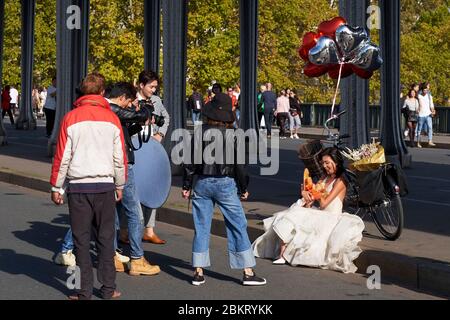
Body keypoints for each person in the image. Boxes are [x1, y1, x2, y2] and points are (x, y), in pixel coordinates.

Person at [181, 82, 267, 286]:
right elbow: (240, 166)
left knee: (201, 226)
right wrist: (243, 187)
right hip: (225, 183)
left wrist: (186, 185)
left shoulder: (199, 133)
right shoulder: (233, 136)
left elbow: (190, 163)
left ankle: (198, 271)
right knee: (237, 225)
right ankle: (247, 272)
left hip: (202, 182)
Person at [50, 72, 126, 300]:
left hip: (79, 187)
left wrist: (56, 186)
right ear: (103, 93)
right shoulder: (112, 119)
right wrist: (120, 184)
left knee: (81, 240)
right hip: (104, 186)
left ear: (83, 92)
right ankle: (108, 288)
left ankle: (83, 291)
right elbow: (119, 157)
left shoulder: (70, 117)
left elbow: (62, 156)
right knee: (105, 239)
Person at [252, 147, 365, 274]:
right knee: (293, 212)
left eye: (327, 162)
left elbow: (324, 203)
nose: (325, 166)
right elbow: (311, 204)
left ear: (336, 162)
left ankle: (283, 255)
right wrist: (306, 195)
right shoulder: (324, 177)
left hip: (331, 217)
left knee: (296, 214)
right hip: (319, 214)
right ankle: (282, 254)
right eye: (323, 163)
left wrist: (315, 193)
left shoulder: (341, 181)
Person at [137, 70, 170, 245]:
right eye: (151, 87)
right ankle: (127, 230)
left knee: (152, 188)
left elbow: (166, 118)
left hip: (151, 149)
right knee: (133, 190)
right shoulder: (131, 99)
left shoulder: (156, 101)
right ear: (141, 85)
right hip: (135, 149)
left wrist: (160, 135)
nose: (154, 90)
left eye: (156, 87)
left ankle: (149, 230)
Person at [416, 83, 436, 148]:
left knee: (430, 127)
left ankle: (430, 141)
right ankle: (418, 142)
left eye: (426, 90)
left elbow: (431, 104)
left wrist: (433, 111)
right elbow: (417, 104)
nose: (425, 91)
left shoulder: (429, 96)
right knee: (419, 129)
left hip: (428, 114)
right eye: (424, 90)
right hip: (421, 115)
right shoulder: (419, 96)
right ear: (422, 90)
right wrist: (417, 109)